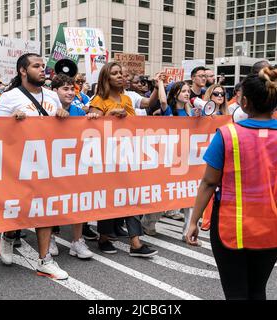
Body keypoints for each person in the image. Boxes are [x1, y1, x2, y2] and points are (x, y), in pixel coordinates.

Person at [186, 66, 277, 300]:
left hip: (230, 228)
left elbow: (209, 183)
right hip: (273, 225)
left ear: (244, 103)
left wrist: (193, 222)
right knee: (257, 290)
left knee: (235, 293)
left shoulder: (227, 135)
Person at [0, 53, 70, 280]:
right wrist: (10, 122)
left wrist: (62, 115)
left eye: (43, 66)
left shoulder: (52, 96)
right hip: (18, 162)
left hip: (46, 162)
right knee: (18, 206)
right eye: (36, 66)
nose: (42, 69)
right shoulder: (9, 97)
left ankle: (45, 260)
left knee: (43, 209)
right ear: (23, 71)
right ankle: (8, 235)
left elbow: (60, 127)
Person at [89, 62, 158, 257]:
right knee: (110, 198)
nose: (120, 76)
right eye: (115, 73)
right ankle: (103, 237)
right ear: (106, 78)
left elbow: (133, 123)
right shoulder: (98, 100)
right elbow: (91, 130)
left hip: (128, 155)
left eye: (121, 73)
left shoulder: (127, 99)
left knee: (132, 196)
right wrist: (110, 114)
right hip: (107, 159)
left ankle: (135, 243)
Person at [141, 76, 200, 241]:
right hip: (168, 160)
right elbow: (163, 101)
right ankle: (148, 223)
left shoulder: (191, 112)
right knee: (164, 196)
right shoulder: (168, 111)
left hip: (187, 160)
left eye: (189, 91)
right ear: (175, 94)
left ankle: (187, 232)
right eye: (184, 91)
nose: (187, 94)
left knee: (190, 196)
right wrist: (160, 83)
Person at [50, 73, 101, 259]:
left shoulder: (78, 112)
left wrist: (93, 117)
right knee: (53, 202)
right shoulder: (47, 108)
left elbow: (88, 125)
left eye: (72, 89)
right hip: (53, 165)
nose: (70, 92)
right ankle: (51, 238)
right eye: (65, 89)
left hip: (76, 164)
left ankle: (77, 242)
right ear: (54, 91)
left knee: (79, 201)